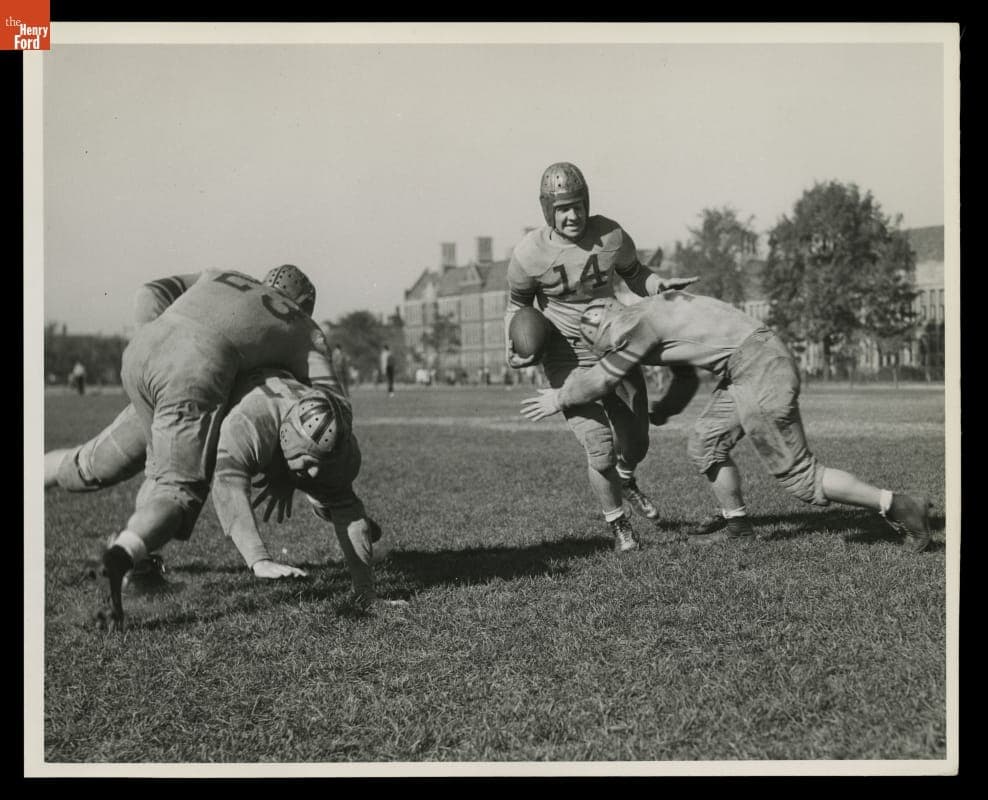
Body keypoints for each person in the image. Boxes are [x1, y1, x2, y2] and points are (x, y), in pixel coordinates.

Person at [520, 292, 933, 553]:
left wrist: (558, 396)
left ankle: (898, 504)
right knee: (705, 442)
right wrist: (665, 409)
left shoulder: (632, 326)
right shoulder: (649, 307)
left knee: (801, 478)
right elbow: (683, 370)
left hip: (758, 369)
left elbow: (602, 379)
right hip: (750, 363)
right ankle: (738, 527)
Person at [97, 264, 343, 630]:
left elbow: (149, 292)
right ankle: (124, 554)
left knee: (97, 467)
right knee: (178, 491)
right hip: (192, 376)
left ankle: (143, 567)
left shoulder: (224, 277)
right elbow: (335, 414)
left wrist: (156, 337)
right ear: (305, 304)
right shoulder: (302, 329)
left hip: (144, 352)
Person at [45, 367, 395, 609]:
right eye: (306, 458)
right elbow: (228, 487)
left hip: (241, 406)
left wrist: (368, 594)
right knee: (92, 469)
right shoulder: (251, 425)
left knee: (331, 492)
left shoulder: (341, 451)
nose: (315, 466)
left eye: (323, 459)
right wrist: (259, 559)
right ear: (283, 436)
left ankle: (140, 571)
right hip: (183, 405)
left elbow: (348, 511)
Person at [504, 162, 696, 552]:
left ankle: (627, 478)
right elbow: (518, 305)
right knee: (598, 445)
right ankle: (619, 524)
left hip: (613, 342)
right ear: (548, 210)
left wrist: (661, 284)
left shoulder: (610, 233)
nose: (572, 215)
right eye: (562, 208)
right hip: (566, 355)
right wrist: (515, 345)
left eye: (577, 205)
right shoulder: (528, 253)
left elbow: (636, 273)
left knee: (636, 442)